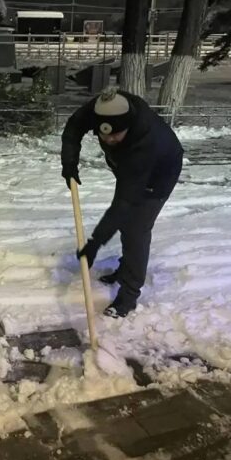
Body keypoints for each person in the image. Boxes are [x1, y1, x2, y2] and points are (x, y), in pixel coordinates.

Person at [61, 86, 183, 318]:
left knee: (136, 229)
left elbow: (123, 203)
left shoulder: (146, 143)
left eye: (116, 135)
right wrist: (69, 164)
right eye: (103, 135)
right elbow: (74, 127)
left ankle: (129, 294)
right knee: (126, 222)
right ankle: (125, 268)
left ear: (128, 126)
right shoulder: (102, 108)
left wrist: (94, 243)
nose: (109, 140)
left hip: (158, 174)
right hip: (127, 168)